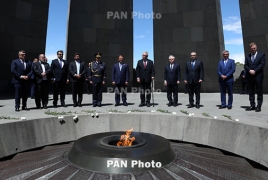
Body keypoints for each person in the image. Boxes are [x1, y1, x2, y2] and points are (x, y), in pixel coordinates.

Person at [244, 42, 266, 112]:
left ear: (256, 48)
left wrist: (255, 70)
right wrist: (249, 70)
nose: (253, 49)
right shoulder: (248, 56)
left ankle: (259, 106)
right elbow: (246, 65)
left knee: (259, 91)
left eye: (254, 48)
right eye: (252, 48)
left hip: (258, 75)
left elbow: (262, 64)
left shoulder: (261, 55)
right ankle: (252, 105)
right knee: (251, 91)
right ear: (250, 48)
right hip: (250, 76)